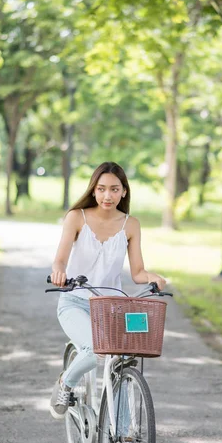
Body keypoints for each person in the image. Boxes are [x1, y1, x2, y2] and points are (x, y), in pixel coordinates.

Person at [49, 161, 166, 419]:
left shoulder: (130, 225)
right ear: (93, 190)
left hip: (111, 308)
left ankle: (124, 439)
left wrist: (153, 277)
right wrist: (59, 272)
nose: (107, 196)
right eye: (101, 189)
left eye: (114, 189)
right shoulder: (76, 217)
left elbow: (137, 273)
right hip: (75, 302)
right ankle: (65, 383)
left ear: (124, 191)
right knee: (92, 351)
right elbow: (60, 259)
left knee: (121, 363)